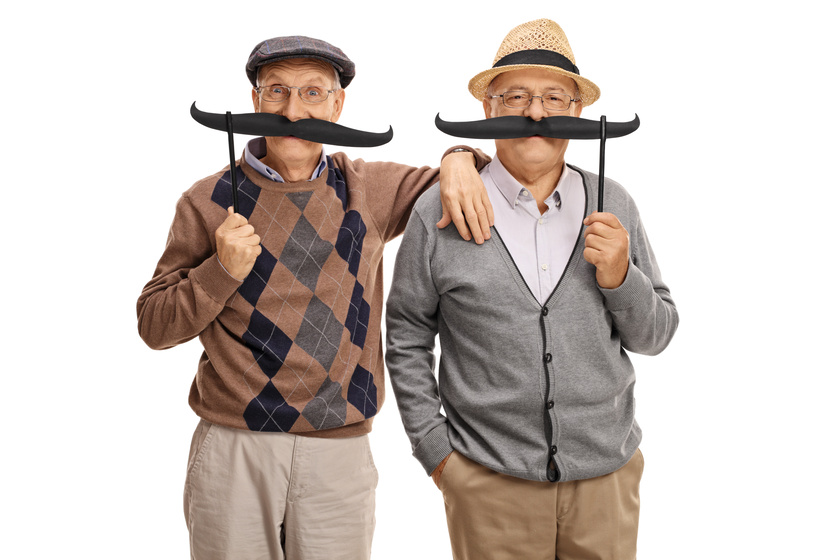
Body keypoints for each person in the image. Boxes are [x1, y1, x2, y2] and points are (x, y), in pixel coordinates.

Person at [136, 35, 491, 560]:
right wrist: (220, 271)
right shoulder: (206, 199)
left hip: (339, 450)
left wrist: (459, 155)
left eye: (313, 93)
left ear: (338, 105)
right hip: (236, 447)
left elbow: (478, 175)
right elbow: (153, 325)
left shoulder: (366, 188)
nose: (293, 111)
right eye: (276, 91)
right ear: (255, 100)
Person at [385, 18, 679, 560]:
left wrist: (620, 277)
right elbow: (405, 333)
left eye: (553, 98)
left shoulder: (613, 202)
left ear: (579, 112)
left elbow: (656, 335)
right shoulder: (438, 212)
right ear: (489, 111)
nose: (536, 113)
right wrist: (437, 454)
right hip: (487, 481)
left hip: (605, 481)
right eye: (516, 96)